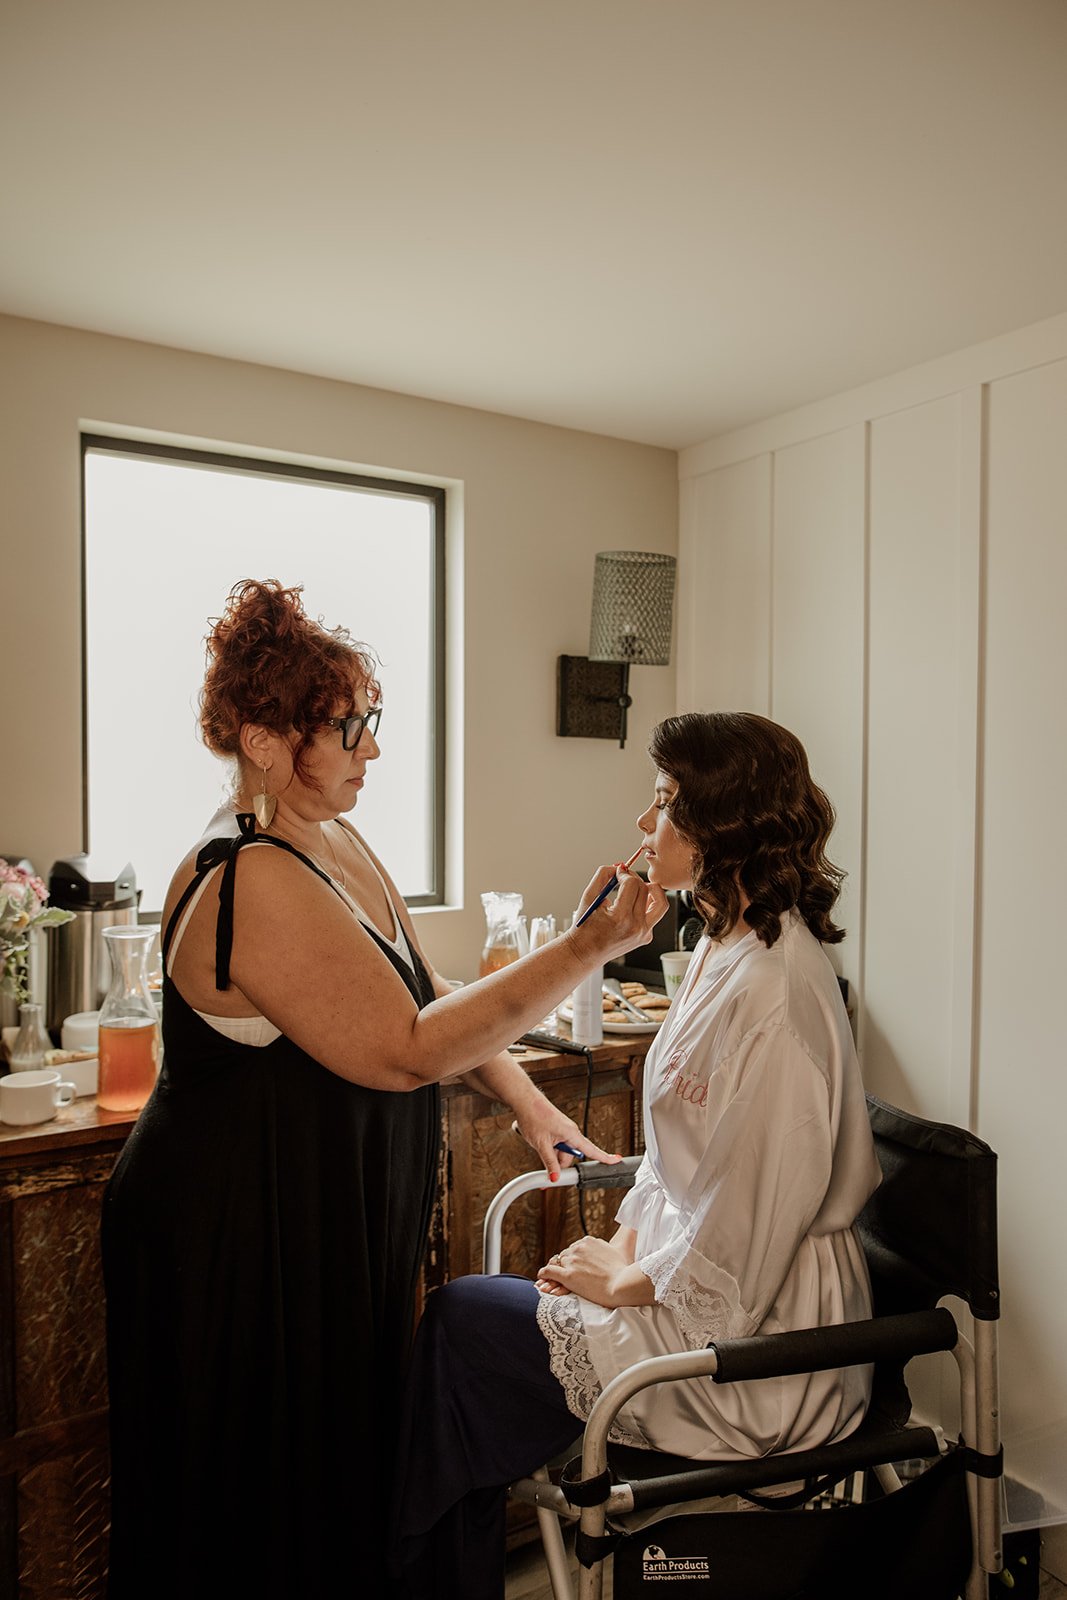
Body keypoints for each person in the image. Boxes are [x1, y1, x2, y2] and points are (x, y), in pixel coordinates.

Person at [100, 578, 665, 1600]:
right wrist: (589, 945)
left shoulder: (336, 839)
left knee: (326, 1478)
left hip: (313, 1221)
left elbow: (425, 989)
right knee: (247, 1497)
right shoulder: (248, 875)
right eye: (351, 724)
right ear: (263, 737)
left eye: (373, 721)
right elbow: (405, 1049)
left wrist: (529, 1103)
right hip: (233, 1235)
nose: (372, 747)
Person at [392, 711, 883, 1600]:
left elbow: (754, 1218)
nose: (640, 824)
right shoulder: (718, 946)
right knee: (461, 1349)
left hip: (759, 1347)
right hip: (688, 1283)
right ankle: (431, 1561)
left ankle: (419, 1563)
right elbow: (677, 1162)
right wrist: (619, 1248)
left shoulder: (778, 994)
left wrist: (627, 1282)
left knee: (460, 1334)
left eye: (662, 803)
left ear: (722, 826)